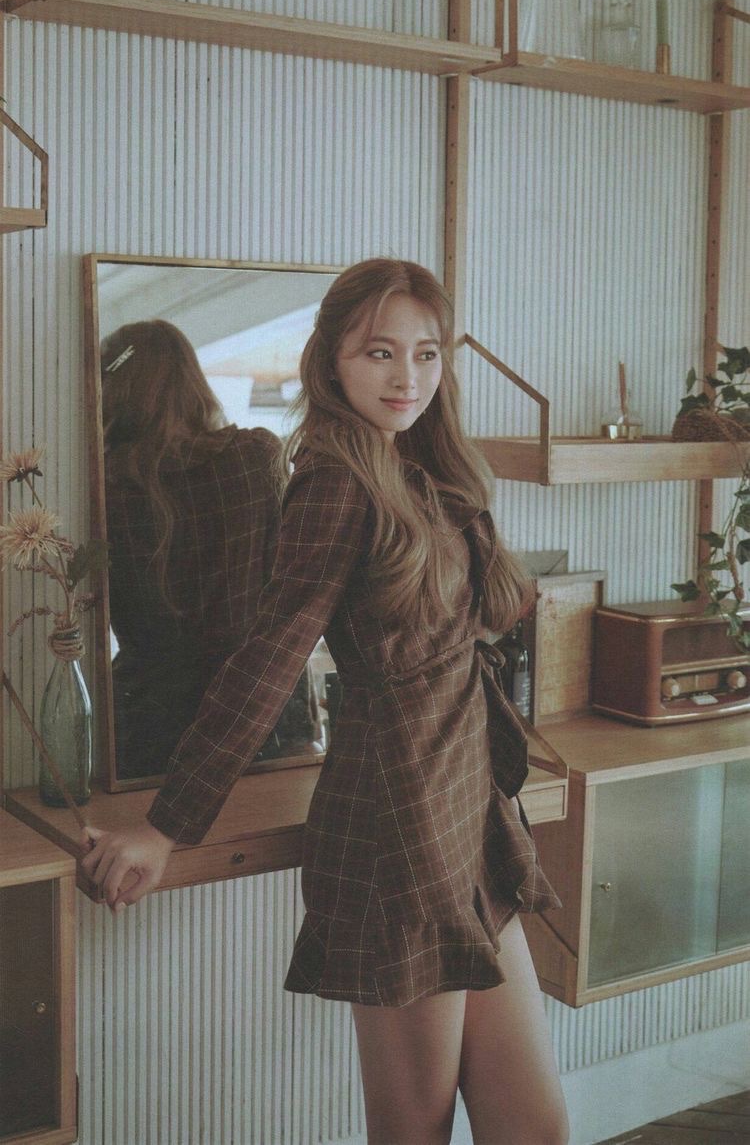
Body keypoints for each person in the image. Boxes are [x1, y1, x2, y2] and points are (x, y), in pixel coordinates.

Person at [83, 261, 569, 1145]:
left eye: (425, 353)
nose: (407, 376)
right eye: (379, 352)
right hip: (400, 825)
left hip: (468, 808)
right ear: (332, 361)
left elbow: (478, 611)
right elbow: (270, 653)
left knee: (535, 1130)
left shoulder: (422, 464)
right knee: (413, 1132)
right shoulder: (335, 478)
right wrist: (165, 827)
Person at [101, 318, 320, 779]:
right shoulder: (255, 457)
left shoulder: (106, 486)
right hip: (256, 710)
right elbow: (290, 594)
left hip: (146, 719)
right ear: (191, 379)